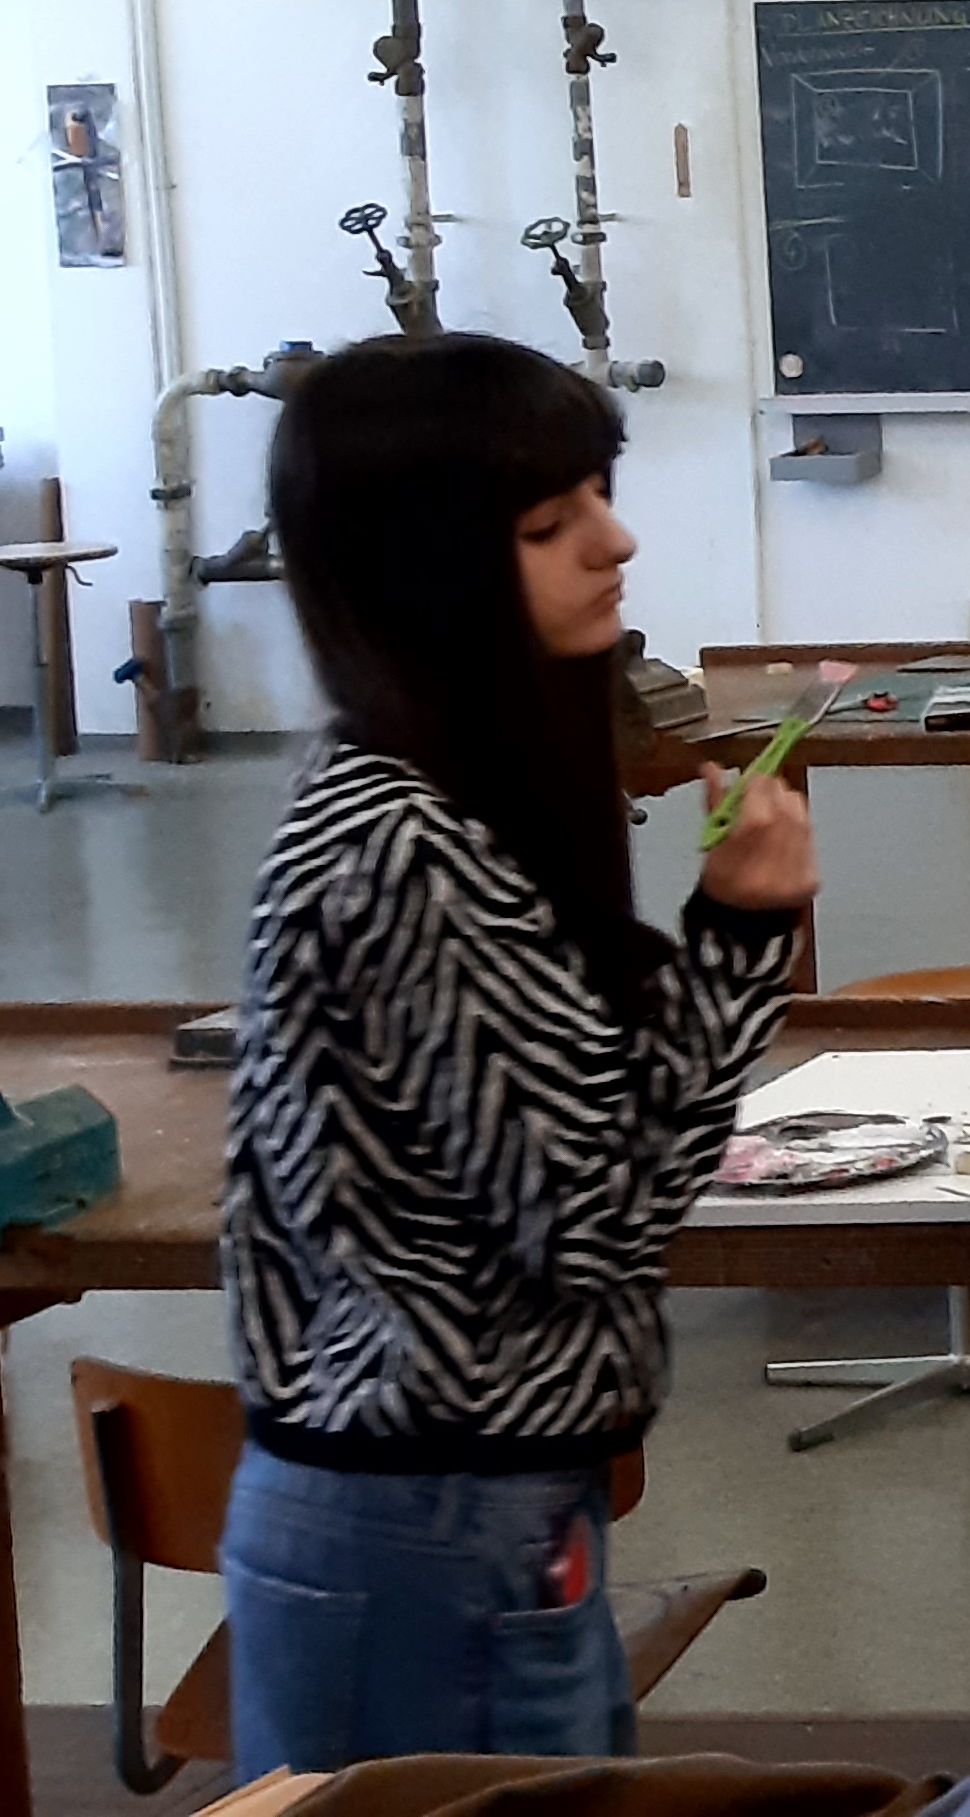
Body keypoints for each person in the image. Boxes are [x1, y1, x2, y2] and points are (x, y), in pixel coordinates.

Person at [218, 334, 824, 1772]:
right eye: (551, 523)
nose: (616, 543)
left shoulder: (434, 803)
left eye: (599, 496)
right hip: (425, 1522)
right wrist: (742, 937)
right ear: (427, 569)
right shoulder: (409, 847)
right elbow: (598, 1220)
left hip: (458, 1505)